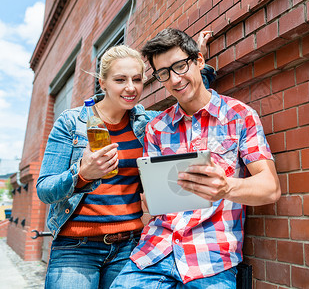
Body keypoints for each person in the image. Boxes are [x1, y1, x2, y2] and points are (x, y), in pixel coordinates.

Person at [36, 32, 215, 289]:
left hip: (128, 245)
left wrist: (198, 64)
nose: (131, 88)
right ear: (103, 83)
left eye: (137, 80)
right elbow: (45, 189)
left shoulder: (147, 123)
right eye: (120, 80)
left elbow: (192, 99)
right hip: (76, 248)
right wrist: (82, 173)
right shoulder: (71, 122)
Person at [111, 28, 281, 288]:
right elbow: (151, 200)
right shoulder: (156, 127)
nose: (175, 80)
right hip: (156, 251)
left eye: (180, 66)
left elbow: (270, 188)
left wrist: (226, 187)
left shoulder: (238, 115)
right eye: (164, 74)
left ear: (199, 61)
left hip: (211, 258)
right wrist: (150, 197)